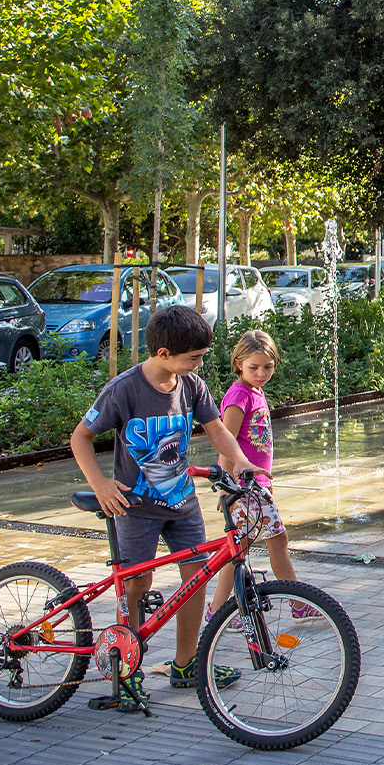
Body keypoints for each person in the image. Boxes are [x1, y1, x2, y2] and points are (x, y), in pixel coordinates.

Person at [70, 305, 250, 712]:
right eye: (194, 358)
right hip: (135, 508)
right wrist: (99, 484)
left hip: (182, 503)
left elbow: (218, 431)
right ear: (164, 353)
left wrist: (242, 463)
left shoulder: (192, 385)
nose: (199, 364)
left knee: (194, 581)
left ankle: (186, 665)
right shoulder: (125, 389)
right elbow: (80, 437)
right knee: (137, 586)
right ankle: (128, 673)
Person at [207, 329, 312, 628]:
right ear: (238, 363)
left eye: (268, 367)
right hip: (244, 487)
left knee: (237, 549)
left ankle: (219, 611)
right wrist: (226, 486)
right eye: (254, 367)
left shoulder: (255, 391)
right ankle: (298, 603)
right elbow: (225, 440)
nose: (262, 373)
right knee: (277, 541)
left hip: (255, 485)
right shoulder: (239, 394)